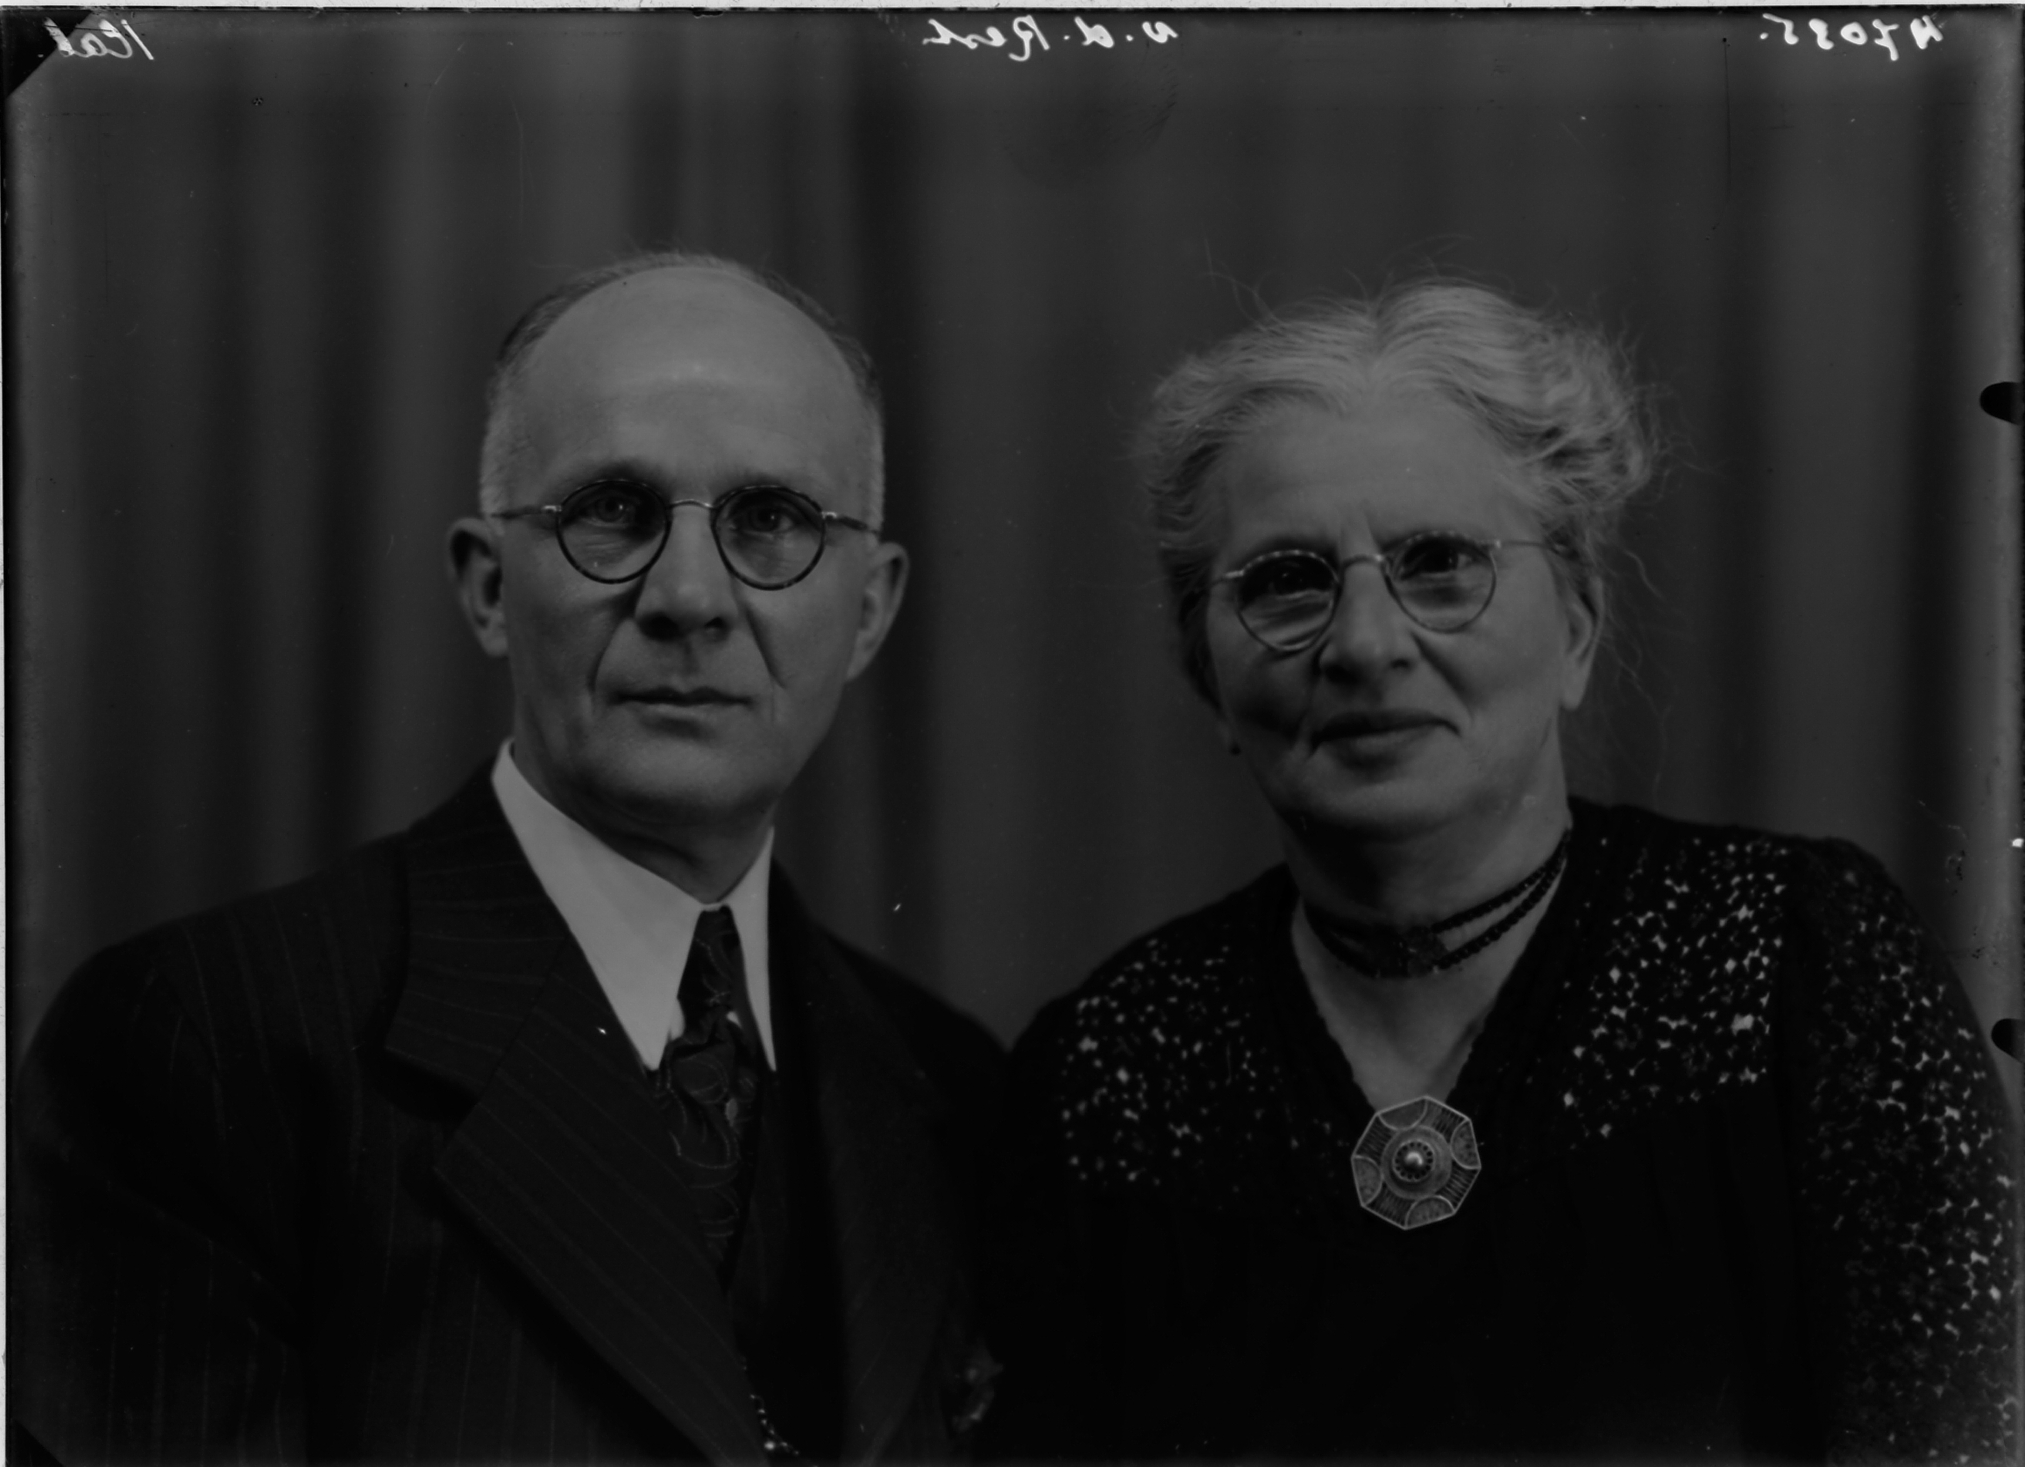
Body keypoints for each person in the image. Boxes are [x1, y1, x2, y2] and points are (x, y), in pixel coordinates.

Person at [984, 282, 2018, 1462]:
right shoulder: (1105, 1072)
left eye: (1439, 563)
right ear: (1205, 677)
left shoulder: (1798, 966)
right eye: (1286, 580)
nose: (1365, 644)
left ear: (1576, 629)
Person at [13, 253, 1003, 1464]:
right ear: (488, 588)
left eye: (772, 522)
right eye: (613, 512)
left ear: (870, 612)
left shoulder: (949, 1087)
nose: (689, 596)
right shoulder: (200, 1047)